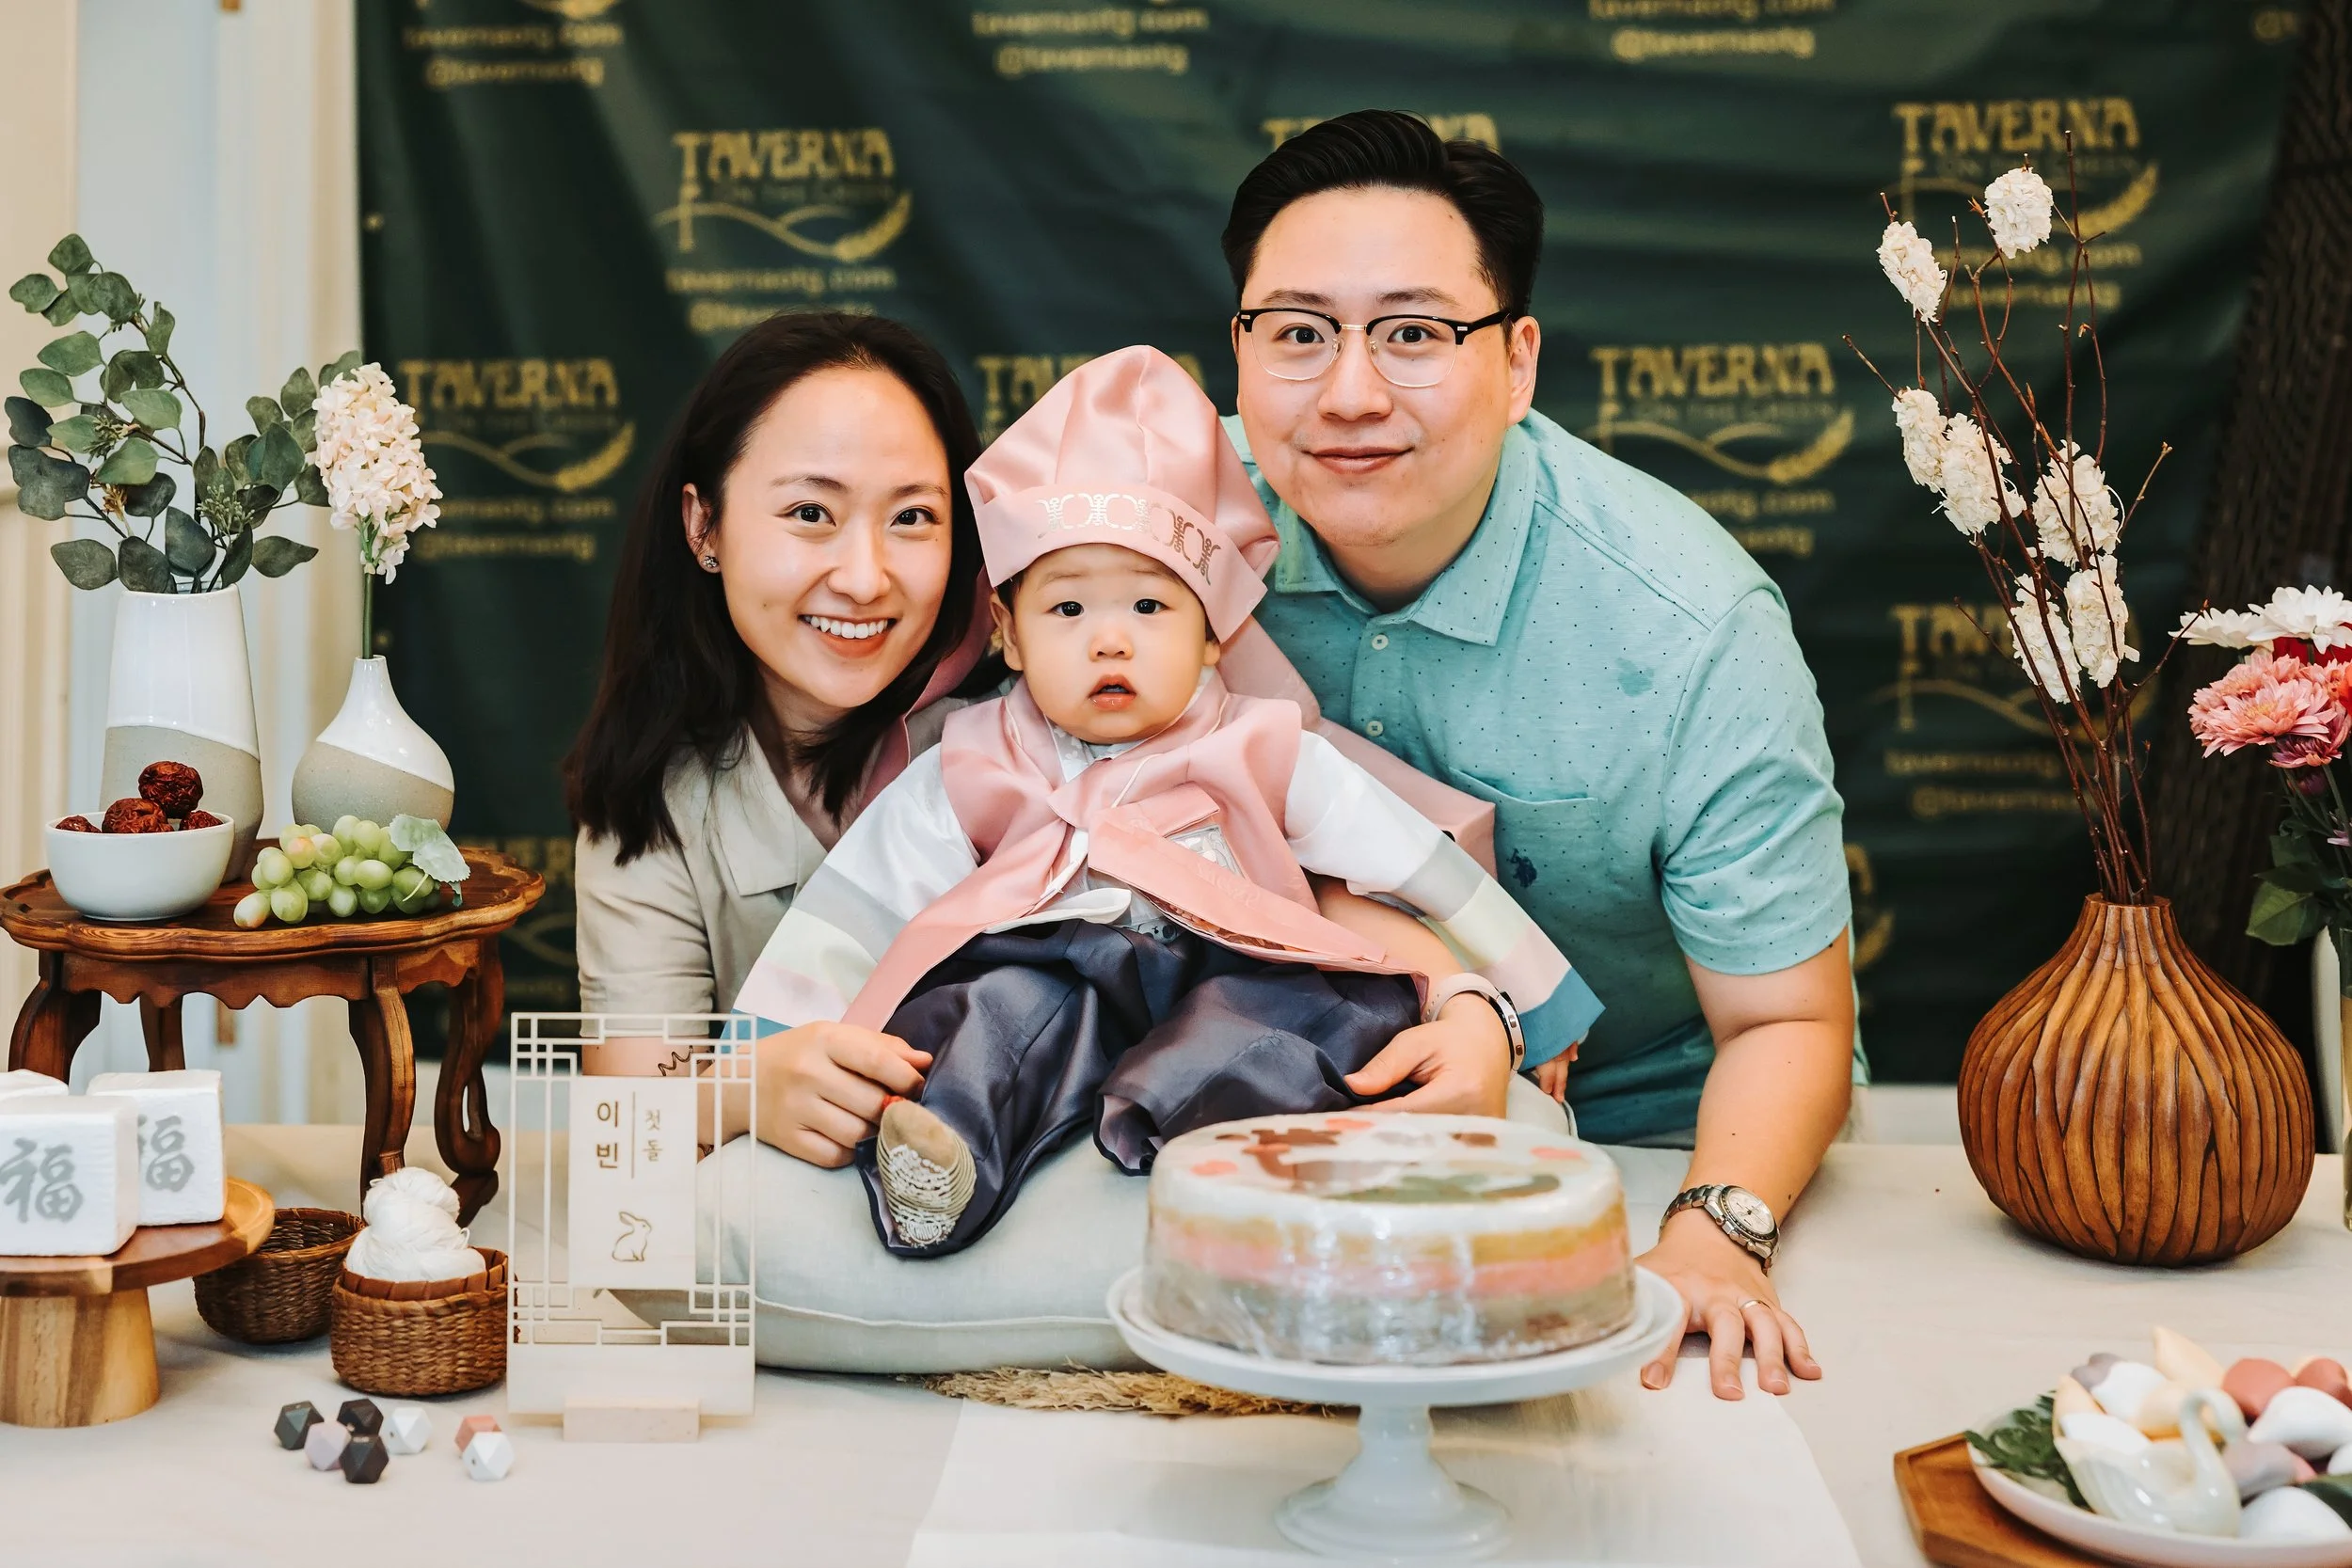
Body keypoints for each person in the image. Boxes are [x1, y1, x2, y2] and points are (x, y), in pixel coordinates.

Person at [1217, 111, 1856, 1402]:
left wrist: (1713, 1229)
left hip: (1628, 1148)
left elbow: (1787, 1016)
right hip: (1260, 1123)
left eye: (1412, 333)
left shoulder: (1688, 629)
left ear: (1516, 364)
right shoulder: (1167, 543)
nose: (1348, 392)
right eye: (1297, 332)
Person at [734, 346, 1599, 1256]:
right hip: (1060, 972)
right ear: (1011, 636)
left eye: (1150, 609)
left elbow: (1409, 863)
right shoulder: (977, 757)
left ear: (1214, 635)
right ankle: (941, 1159)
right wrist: (766, 1041)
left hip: (1232, 966)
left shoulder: (1262, 746)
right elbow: (866, 892)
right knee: (984, 1018)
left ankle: (1203, 1145)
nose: (1110, 641)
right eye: (1068, 611)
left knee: (1298, 1018)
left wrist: (1520, 999)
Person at [565, 311, 993, 1161]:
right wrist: (741, 1088)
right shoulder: (655, 802)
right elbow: (623, 1155)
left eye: (913, 518)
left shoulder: (1023, 741)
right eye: (810, 512)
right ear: (704, 526)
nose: (866, 577)